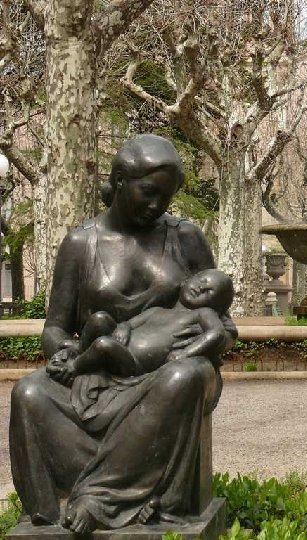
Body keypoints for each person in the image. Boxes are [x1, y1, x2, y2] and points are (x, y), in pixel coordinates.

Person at [9, 134, 237, 533]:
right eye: (149, 193)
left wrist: (201, 346)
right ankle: (65, 507)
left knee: (184, 377)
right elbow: (56, 328)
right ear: (117, 181)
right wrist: (66, 352)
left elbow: (225, 323)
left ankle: (98, 499)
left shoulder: (185, 238)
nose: (157, 206)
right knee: (28, 393)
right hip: (99, 369)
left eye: (166, 198)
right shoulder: (81, 243)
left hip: (171, 373)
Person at [46, 269, 234, 384]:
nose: (200, 288)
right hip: (120, 342)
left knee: (104, 345)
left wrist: (186, 353)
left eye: (209, 291)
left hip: (132, 362)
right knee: (100, 318)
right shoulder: (158, 310)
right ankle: (80, 349)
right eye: (201, 281)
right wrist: (124, 328)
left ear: (215, 306)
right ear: (187, 280)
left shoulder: (203, 314)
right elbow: (128, 323)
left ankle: (74, 368)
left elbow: (217, 333)